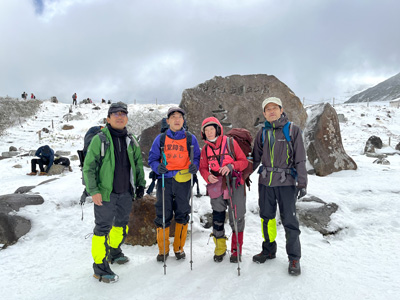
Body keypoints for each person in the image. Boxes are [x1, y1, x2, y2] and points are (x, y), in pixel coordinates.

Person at [83, 101, 146, 283]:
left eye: (123, 113)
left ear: (126, 118)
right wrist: (93, 190)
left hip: (125, 192)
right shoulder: (100, 139)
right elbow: (89, 167)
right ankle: (100, 267)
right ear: (108, 118)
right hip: (104, 193)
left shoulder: (131, 139)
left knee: (121, 224)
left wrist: (140, 184)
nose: (119, 116)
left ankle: (114, 251)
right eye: (115, 114)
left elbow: (138, 165)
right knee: (102, 229)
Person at [252, 97, 307, 276]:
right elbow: (255, 158)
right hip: (266, 182)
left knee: (290, 221)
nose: (271, 111)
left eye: (274, 108)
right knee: (266, 218)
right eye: (268, 109)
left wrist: (302, 182)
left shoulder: (292, 130)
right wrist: (241, 175)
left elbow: (300, 158)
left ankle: (294, 258)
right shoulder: (261, 133)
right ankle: (269, 250)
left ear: (281, 110)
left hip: (287, 182)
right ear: (264, 114)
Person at [148, 107, 201, 262]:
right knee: (163, 213)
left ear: (183, 121)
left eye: (180, 117)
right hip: (164, 180)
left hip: (183, 180)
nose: (177, 119)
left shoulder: (191, 139)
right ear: (168, 120)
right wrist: (157, 167)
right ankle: (163, 250)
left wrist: (194, 166)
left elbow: (196, 157)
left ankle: (178, 248)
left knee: (182, 213)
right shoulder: (161, 139)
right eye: (173, 117)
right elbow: (152, 158)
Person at [199, 117, 248, 263]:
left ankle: (236, 250)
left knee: (237, 217)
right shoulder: (206, 149)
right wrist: (207, 176)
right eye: (206, 130)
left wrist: (232, 166)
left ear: (218, 129)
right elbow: (202, 167)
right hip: (216, 186)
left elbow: (243, 161)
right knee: (218, 217)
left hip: (234, 183)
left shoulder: (230, 143)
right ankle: (220, 249)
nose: (209, 132)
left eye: (211, 129)